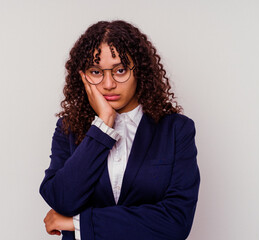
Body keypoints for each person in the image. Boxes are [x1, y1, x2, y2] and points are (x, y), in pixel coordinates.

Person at [39, 20, 200, 240]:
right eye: (96, 72)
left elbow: (175, 222)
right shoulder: (69, 128)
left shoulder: (176, 130)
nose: (108, 84)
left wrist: (77, 223)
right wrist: (103, 125)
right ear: (83, 76)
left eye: (120, 70)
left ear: (139, 71)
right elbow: (62, 199)